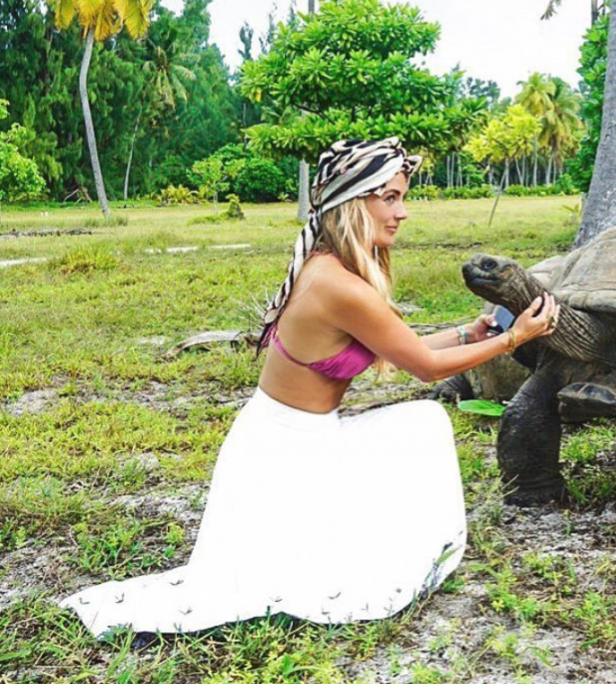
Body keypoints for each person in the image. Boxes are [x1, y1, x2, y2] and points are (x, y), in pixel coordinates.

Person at [60, 138, 559, 637]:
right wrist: (515, 337)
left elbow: (399, 346)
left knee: (419, 422)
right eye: (389, 197)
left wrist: (467, 334)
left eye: (402, 197)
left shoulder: (331, 267)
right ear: (352, 203)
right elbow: (426, 368)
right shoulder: (338, 285)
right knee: (419, 428)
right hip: (283, 453)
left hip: (302, 439)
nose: (402, 212)